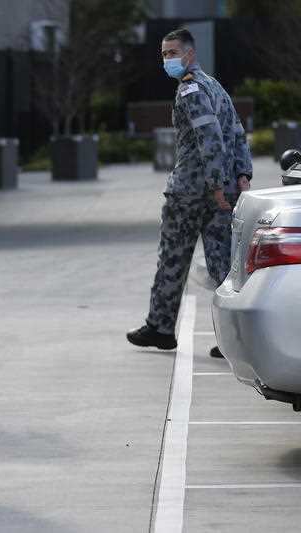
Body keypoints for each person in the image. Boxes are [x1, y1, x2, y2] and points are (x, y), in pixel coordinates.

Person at [127, 28, 252, 358]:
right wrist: (241, 175)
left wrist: (215, 186)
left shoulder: (190, 91)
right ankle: (234, 339)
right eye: (164, 54)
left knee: (173, 258)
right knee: (223, 266)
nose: (167, 60)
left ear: (190, 54)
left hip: (192, 193)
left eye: (173, 53)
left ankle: (160, 327)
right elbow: (237, 132)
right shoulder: (215, 86)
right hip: (220, 191)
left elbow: (210, 139)